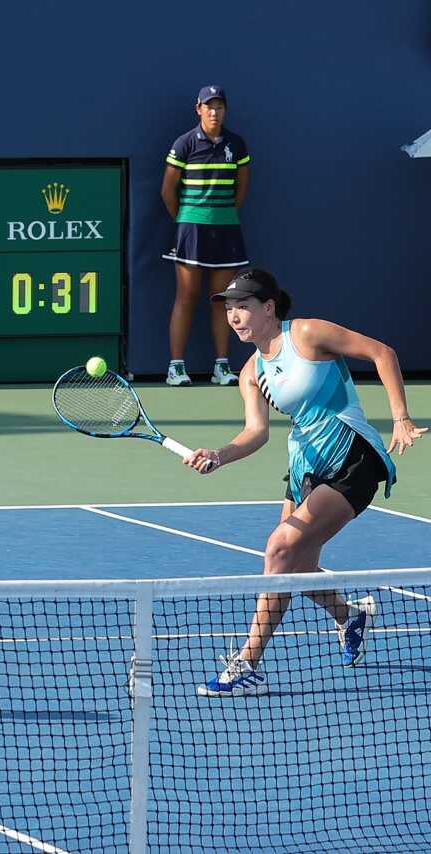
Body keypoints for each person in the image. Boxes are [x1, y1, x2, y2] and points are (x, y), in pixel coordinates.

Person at [184, 268, 425, 697]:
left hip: (352, 458)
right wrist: (220, 455)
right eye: (229, 309)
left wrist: (401, 417)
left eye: (243, 306)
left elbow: (381, 353)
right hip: (304, 469)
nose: (234, 316)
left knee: (279, 548)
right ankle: (349, 614)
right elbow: (255, 432)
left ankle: (248, 665)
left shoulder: (308, 334)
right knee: (294, 565)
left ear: (269, 307)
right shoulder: (250, 372)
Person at [161, 84, 252, 386]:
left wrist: (222, 214)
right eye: (208, 106)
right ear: (198, 109)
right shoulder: (184, 143)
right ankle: (176, 368)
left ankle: (221, 367)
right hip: (191, 230)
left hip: (226, 229)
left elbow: (242, 187)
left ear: (225, 110)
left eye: (220, 106)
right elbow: (167, 190)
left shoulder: (236, 145)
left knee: (223, 299)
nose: (214, 112)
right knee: (186, 297)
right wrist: (187, 219)